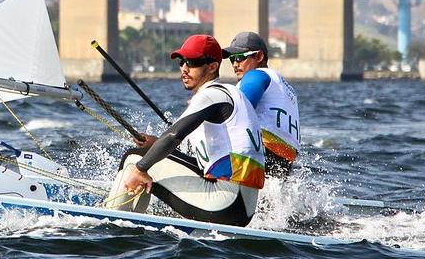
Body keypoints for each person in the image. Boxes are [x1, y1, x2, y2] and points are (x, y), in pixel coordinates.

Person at [106, 34, 265, 227]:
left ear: (213, 67)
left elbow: (174, 135)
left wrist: (140, 169)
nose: (184, 68)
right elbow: (197, 157)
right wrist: (156, 145)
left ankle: (112, 224)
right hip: (242, 209)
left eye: (193, 62)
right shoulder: (232, 93)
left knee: (134, 159)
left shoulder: (211, 95)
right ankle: (131, 221)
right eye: (182, 62)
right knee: (147, 156)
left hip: (226, 204)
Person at [223, 31, 300, 176]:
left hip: (261, 154)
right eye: (232, 59)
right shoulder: (285, 87)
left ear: (259, 56)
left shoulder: (256, 75)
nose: (235, 64)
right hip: (285, 165)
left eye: (240, 57)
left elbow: (238, 110)